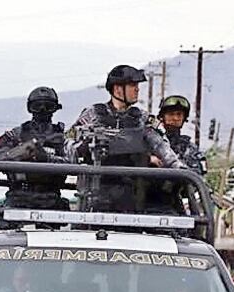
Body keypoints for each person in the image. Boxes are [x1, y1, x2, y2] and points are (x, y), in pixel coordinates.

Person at [65, 65, 185, 212]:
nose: (137, 89)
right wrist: (82, 148)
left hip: (131, 202)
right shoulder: (91, 116)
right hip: (92, 200)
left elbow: (163, 148)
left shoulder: (143, 120)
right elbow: (68, 149)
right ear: (117, 89)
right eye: (132, 85)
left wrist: (180, 169)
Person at [0, 87, 69, 231]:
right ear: (30, 108)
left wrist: (47, 159)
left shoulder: (64, 138)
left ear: (55, 108)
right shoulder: (16, 135)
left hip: (50, 198)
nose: (42, 110)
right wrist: (17, 155)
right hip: (19, 196)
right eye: (37, 106)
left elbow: (73, 163)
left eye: (48, 106)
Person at [157, 95, 207, 175]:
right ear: (162, 116)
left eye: (179, 114)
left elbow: (197, 177)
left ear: (184, 118)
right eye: (171, 114)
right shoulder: (152, 143)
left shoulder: (190, 149)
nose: (175, 118)